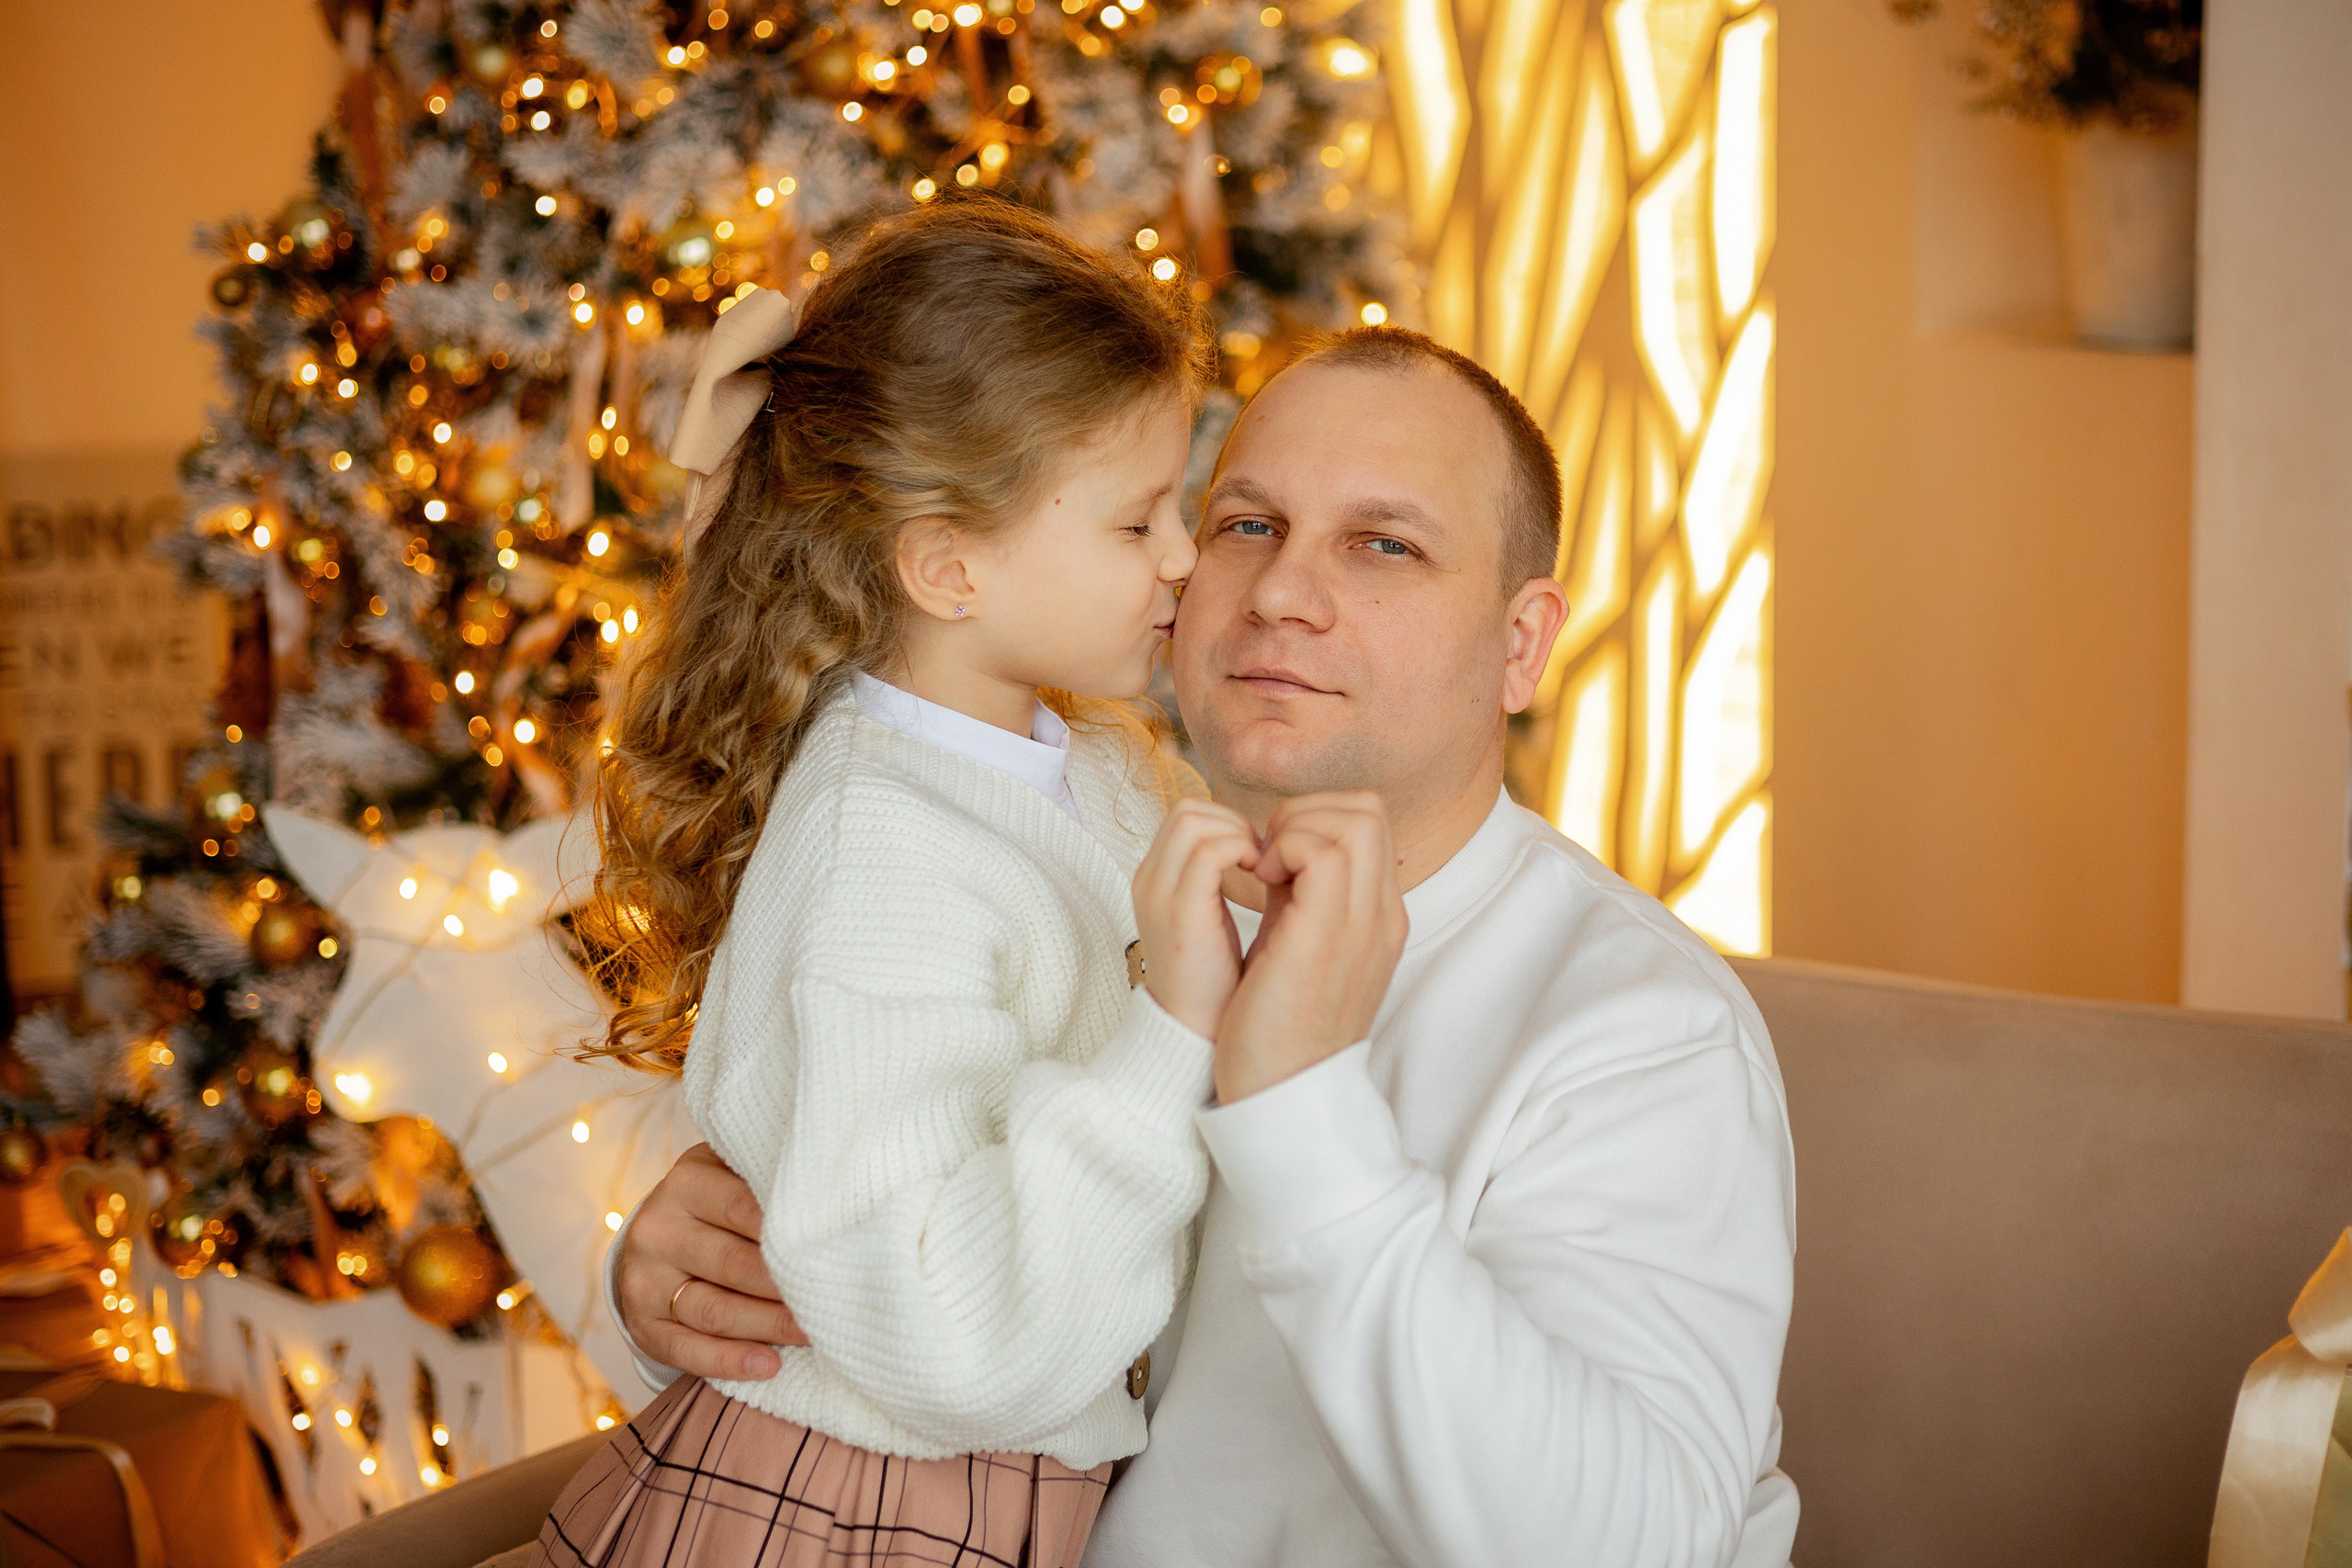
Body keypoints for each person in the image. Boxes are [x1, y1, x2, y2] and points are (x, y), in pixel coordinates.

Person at [611, 325, 1802, 1567]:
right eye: (1246, 524)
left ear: (1519, 645)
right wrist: (687, 1287)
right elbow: (918, 1277)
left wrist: (1303, 1111)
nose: (1280, 591)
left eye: (1384, 545)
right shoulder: (1049, 856)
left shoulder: (1642, 1030)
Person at [532, 199, 1259, 1568]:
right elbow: (951, 1336)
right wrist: (1172, 1025)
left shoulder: (1101, 767)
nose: (1184, 556)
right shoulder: (878, 846)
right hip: (863, 1514)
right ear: (945, 564)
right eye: (1135, 521)